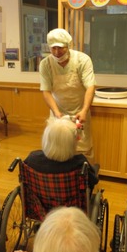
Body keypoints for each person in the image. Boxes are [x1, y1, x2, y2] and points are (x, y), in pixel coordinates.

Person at [39, 28, 96, 161]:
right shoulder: (45, 64)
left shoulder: (82, 60)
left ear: (68, 46)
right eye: (53, 48)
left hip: (79, 113)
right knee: (56, 149)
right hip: (57, 113)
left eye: (60, 48)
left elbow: (90, 87)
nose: (57, 52)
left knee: (82, 149)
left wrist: (84, 110)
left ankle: (84, 179)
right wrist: (57, 113)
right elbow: (46, 91)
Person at [24, 117, 98, 189]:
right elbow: (93, 181)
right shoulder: (80, 163)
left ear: (46, 139)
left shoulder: (32, 158)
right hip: (71, 200)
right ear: (72, 143)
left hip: (38, 200)